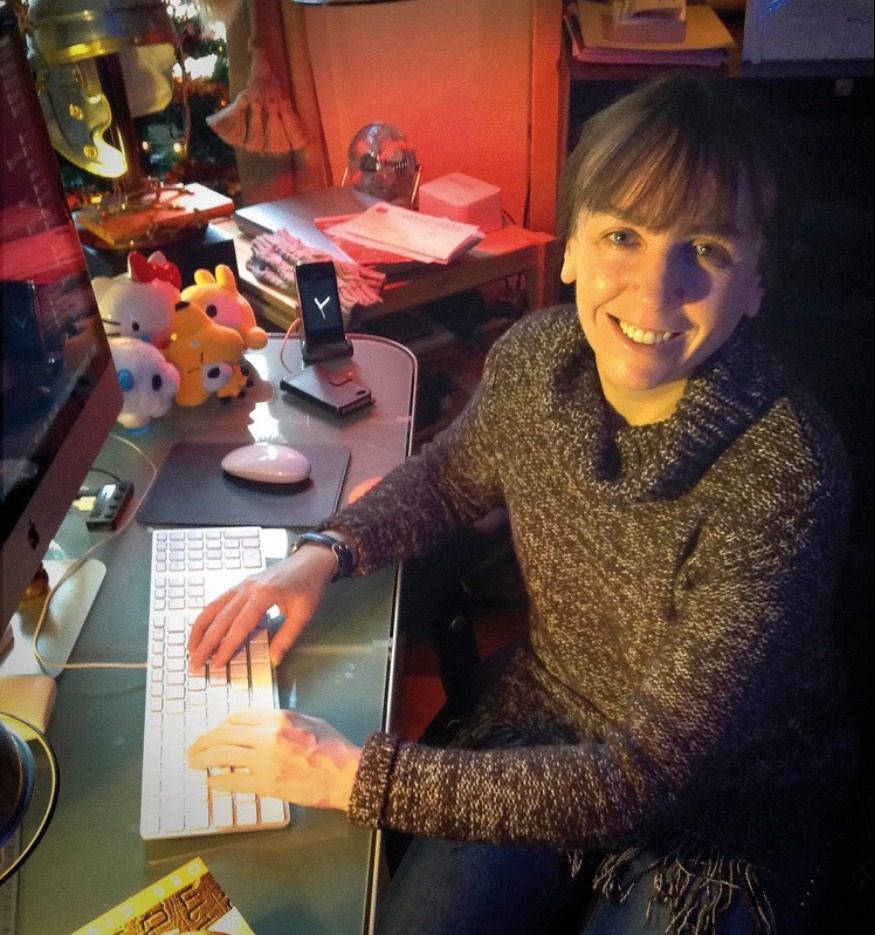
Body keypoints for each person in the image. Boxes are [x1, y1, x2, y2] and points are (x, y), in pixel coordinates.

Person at [186, 74, 858, 934]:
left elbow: (648, 776)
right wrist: (325, 552)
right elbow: (449, 477)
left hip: (728, 801)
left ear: (757, 284)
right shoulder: (538, 358)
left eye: (707, 250)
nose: (655, 289)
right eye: (623, 235)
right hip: (554, 711)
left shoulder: (785, 469)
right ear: (571, 247)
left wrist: (352, 774)